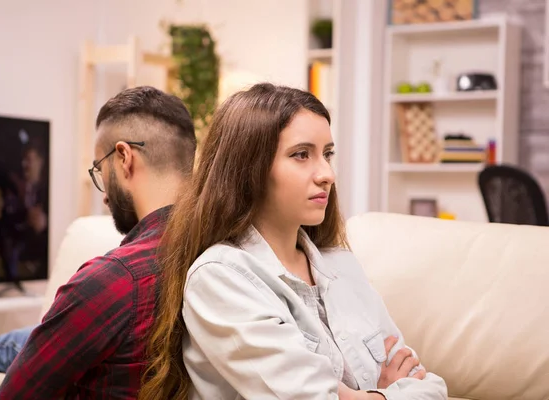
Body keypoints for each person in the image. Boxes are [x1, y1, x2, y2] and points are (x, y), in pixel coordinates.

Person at [140, 83, 448, 400]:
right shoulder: (219, 278)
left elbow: (431, 387)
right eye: (301, 155)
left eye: (327, 154)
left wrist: (365, 397)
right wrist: (383, 393)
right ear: (249, 169)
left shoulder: (342, 265)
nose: (327, 173)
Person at [0, 85, 196, 399]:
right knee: (17, 342)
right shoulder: (217, 250)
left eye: (100, 170)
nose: (105, 196)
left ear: (124, 158)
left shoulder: (112, 281)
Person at [0, 141, 49, 281]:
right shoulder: (16, 187)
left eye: (29, 160)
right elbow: (8, 216)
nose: (24, 164)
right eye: (23, 160)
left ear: (40, 162)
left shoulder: (47, 191)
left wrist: (44, 224)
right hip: (17, 240)